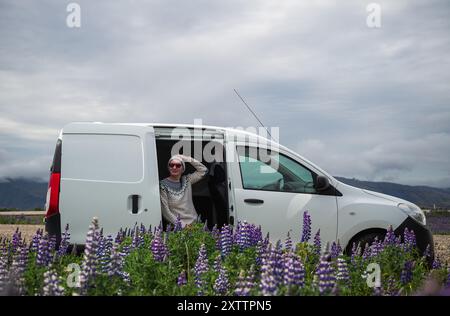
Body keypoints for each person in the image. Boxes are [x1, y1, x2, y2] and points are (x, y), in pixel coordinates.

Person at [159, 154, 208, 227]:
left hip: (195, 224)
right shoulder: (163, 185)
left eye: (178, 165)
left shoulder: (187, 180)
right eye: (171, 165)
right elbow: (166, 211)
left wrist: (187, 158)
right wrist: (182, 226)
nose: (174, 167)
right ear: (168, 167)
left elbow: (204, 170)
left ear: (183, 169)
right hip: (178, 227)